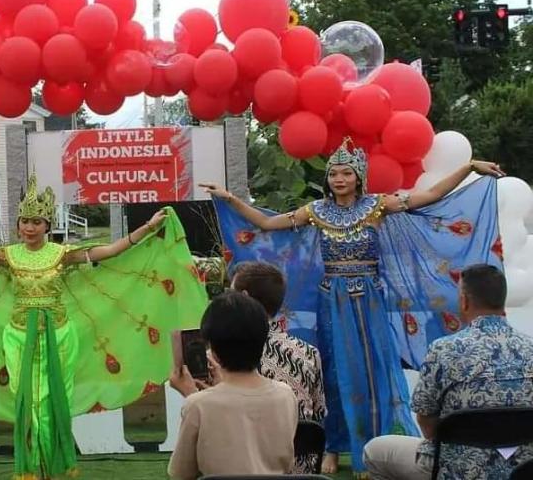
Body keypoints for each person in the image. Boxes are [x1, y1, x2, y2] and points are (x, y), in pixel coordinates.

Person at [0, 173, 209, 479]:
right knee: (28, 403)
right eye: (25, 221)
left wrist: (146, 229)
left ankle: (55, 467)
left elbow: (108, 251)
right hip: (18, 336)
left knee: (54, 402)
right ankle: (31, 468)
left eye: (36, 221)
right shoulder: (6, 255)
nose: (29, 227)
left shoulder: (62, 254)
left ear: (47, 224)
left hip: (59, 335)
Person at [205, 141, 504, 475]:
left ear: (359, 177)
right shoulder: (316, 210)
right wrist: (229, 198)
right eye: (333, 173)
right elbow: (267, 224)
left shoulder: (377, 206)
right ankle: (333, 446)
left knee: (375, 372)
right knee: (334, 370)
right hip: (332, 301)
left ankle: (376, 445)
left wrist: (468, 168)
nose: (339, 179)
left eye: (346, 173)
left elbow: (430, 195)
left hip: (370, 301)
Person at [363, 265, 533, 479]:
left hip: (457, 469)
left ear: (464, 300)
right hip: (522, 468)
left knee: (375, 450)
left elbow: (425, 420)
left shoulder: (443, 349)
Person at [168, 291, 298, 478]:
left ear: (213, 350)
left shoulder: (198, 405)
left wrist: (193, 397)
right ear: (262, 341)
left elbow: (181, 473)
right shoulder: (285, 395)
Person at [233, 261, 326, 472]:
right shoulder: (309, 353)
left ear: (244, 297)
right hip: (301, 469)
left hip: (249, 467)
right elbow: (318, 413)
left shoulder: (227, 356)